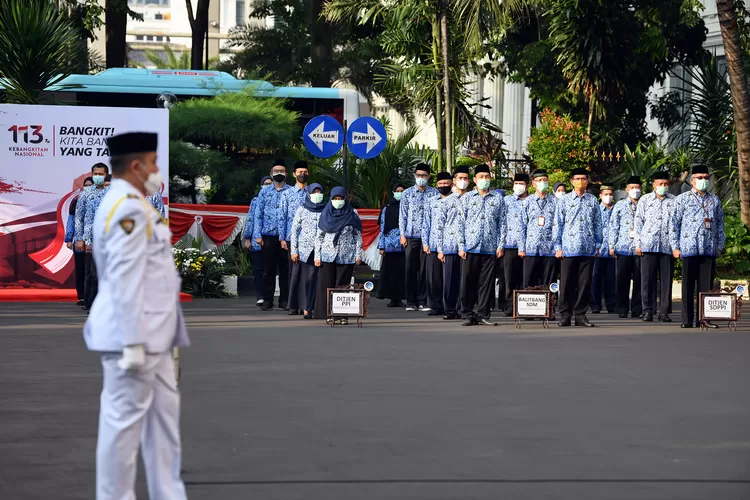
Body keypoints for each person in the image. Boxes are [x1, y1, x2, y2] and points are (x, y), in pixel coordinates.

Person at [84, 132, 189, 500]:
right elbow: (125, 280)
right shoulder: (127, 208)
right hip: (136, 337)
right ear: (136, 166)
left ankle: (169, 494)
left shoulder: (133, 203)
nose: (157, 169)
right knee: (123, 429)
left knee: (164, 429)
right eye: (154, 161)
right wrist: (132, 341)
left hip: (154, 335)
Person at [670, 164, 725, 329]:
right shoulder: (683, 199)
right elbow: (674, 224)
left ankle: (704, 318)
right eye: (700, 178)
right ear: (692, 180)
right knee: (688, 285)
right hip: (689, 247)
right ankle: (687, 319)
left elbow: (720, 224)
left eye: (706, 178)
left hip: (708, 248)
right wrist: (675, 246)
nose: (703, 181)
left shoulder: (714, 200)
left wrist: (720, 245)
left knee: (706, 286)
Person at [458, 164, 506, 326]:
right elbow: (460, 223)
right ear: (475, 179)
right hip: (470, 246)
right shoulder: (467, 198)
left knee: (487, 282)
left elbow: (502, 224)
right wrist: (460, 245)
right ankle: (467, 313)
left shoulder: (498, 199)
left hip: (490, 246)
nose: (484, 180)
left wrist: (500, 245)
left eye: (487, 177)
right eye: (481, 177)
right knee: (468, 281)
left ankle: (483, 313)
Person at [553, 168, 602, 327]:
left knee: (585, 284)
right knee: (567, 283)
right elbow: (557, 224)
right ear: (572, 181)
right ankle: (565, 315)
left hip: (587, 248)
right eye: (577, 178)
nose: (580, 181)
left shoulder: (593, 200)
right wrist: (557, 246)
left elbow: (597, 224)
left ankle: (580, 315)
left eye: (583, 178)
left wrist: (598, 244)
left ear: (587, 181)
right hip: (568, 248)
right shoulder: (564, 200)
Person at [314, 187, 363, 323]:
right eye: (335, 199)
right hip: (327, 255)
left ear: (345, 198)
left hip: (346, 255)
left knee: (342, 286)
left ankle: (342, 315)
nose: (338, 201)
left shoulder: (352, 213)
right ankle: (329, 314)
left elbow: (358, 236)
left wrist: (358, 255)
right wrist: (317, 256)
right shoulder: (325, 213)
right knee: (328, 285)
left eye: (340, 198)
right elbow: (319, 237)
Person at [635, 171, 676, 322]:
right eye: (660, 184)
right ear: (654, 185)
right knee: (647, 280)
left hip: (667, 246)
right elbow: (638, 223)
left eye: (666, 184)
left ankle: (664, 311)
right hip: (648, 245)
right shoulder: (645, 200)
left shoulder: (674, 201)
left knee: (666, 280)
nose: (663, 187)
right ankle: (647, 310)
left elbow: (677, 224)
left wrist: (676, 246)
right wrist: (638, 244)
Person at [399, 163, 439, 311]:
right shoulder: (407, 193)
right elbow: (402, 215)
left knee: (424, 269)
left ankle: (422, 300)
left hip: (427, 238)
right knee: (410, 268)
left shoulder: (434, 194)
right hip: (411, 236)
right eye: (418, 175)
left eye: (423, 175)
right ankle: (411, 301)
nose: (420, 178)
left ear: (428, 176)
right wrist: (402, 234)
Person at [254, 159, 291, 310]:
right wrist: (257, 234)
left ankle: (284, 300)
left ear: (286, 174)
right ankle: (267, 299)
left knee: (285, 269)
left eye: (281, 171)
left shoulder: (290, 191)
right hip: (267, 235)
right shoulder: (264, 192)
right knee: (268, 269)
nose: (279, 173)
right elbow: (258, 213)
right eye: (276, 171)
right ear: (271, 173)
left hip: (285, 236)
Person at [436, 166, 471, 320]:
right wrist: (440, 249)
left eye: (465, 178)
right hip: (449, 245)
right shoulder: (447, 201)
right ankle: (449, 310)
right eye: (460, 178)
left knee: (466, 280)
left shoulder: (473, 199)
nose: (462, 181)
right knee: (450, 280)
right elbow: (439, 225)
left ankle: (464, 309)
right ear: (454, 181)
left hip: (468, 247)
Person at [75, 163, 108, 310]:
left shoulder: (113, 193)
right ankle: (92, 304)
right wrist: (80, 239)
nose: (98, 177)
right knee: (92, 274)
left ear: (106, 175)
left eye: (101, 174)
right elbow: (79, 217)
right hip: (91, 240)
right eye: (96, 174)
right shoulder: (85, 194)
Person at [609, 176, 643, 319]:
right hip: (623, 247)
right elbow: (613, 226)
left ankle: (637, 309)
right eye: (632, 188)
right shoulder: (620, 205)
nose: (635, 190)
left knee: (640, 280)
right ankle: (622, 308)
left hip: (640, 248)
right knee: (622, 280)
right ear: (627, 189)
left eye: (637, 187)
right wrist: (612, 245)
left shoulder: (645, 203)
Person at [290, 183, 325, 319]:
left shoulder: (326, 209)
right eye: (314, 192)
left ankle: (317, 307)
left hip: (322, 251)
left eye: (319, 192)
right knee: (306, 280)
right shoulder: (302, 209)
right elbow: (294, 231)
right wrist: (294, 251)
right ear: (309, 194)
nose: (317, 194)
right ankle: (306, 307)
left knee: (318, 280)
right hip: (305, 251)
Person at [280, 160, 310, 315]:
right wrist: (282, 238)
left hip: (309, 239)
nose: (302, 174)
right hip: (292, 238)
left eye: (305, 171)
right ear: (294, 174)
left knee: (306, 272)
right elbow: (282, 217)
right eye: (299, 172)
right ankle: (292, 304)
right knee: (293, 271)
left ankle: (304, 304)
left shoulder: (313, 193)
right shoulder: (287, 194)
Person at [422, 172, 454, 316]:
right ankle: (435, 305)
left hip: (450, 245)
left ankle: (450, 306)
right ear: (436, 185)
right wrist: (425, 242)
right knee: (433, 277)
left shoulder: (456, 200)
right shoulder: (432, 201)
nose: (443, 186)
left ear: (451, 184)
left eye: (446, 183)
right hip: (433, 244)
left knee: (449, 278)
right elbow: (426, 222)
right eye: (440, 184)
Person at [520, 170, 557, 291]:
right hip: (531, 248)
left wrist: (558, 247)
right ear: (534, 184)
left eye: (545, 180)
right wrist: (521, 247)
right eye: (539, 180)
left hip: (550, 249)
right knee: (529, 283)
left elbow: (559, 226)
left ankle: (549, 307)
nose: (542, 183)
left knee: (549, 284)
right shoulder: (527, 202)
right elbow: (522, 226)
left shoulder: (556, 202)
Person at [244, 176, 273, 306]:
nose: (267, 186)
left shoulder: (278, 199)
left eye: (270, 184)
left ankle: (269, 296)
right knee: (259, 269)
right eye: (265, 184)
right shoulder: (255, 201)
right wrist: (247, 238)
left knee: (270, 269)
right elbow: (250, 219)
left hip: (272, 240)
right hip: (256, 241)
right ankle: (260, 295)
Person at [503, 173, 530, 315]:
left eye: (522, 183)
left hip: (529, 246)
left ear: (528, 185)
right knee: (510, 277)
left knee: (526, 277)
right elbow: (501, 223)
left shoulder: (532, 200)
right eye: (516, 183)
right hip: (510, 244)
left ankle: (526, 305)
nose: (519, 186)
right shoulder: (506, 201)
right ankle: (510, 305)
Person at [376, 184, 406, 307]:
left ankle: (401, 298)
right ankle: (392, 298)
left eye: (402, 191)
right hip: (390, 246)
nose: (400, 193)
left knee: (402, 272)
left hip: (404, 245)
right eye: (397, 191)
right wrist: (381, 246)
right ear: (393, 192)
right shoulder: (386, 208)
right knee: (390, 273)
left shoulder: (407, 207)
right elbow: (382, 227)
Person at [65, 177, 94, 305]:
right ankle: (82, 296)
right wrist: (69, 239)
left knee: (91, 271)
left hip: (93, 243)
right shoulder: (76, 202)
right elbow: (71, 222)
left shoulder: (99, 201)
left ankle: (90, 297)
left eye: (90, 185)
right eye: (85, 185)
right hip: (79, 242)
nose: (87, 188)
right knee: (81, 270)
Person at [590, 185, 617, 314]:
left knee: (611, 280)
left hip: (612, 251)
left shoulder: (617, 209)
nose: (608, 196)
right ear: (600, 196)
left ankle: (611, 304)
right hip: (598, 250)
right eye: (605, 194)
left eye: (610, 194)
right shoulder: (596, 209)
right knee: (595, 279)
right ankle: (595, 305)